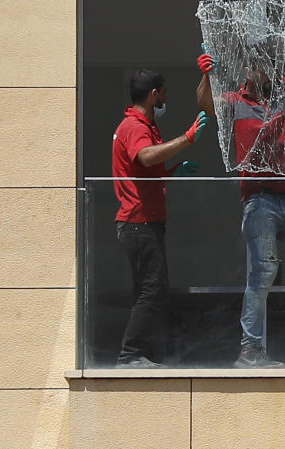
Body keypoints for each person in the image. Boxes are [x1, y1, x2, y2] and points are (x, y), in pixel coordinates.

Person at [197, 10, 285, 369]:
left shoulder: (284, 92)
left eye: (270, 66)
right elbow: (205, 104)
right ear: (248, 73)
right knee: (263, 271)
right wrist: (205, 73)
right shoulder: (236, 101)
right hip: (260, 200)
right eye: (260, 67)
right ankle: (251, 351)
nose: (267, 71)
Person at [113, 68, 208, 368]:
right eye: (164, 93)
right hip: (139, 223)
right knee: (153, 289)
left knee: (147, 290)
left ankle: (139, 354)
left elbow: (145, 172)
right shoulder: (135, 126)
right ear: (154, 93)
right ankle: (131, 355)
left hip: (143, 222)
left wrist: (171, 173)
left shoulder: (143, 126)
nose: (166, 99)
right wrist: (188, 138)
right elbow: (145, 157)